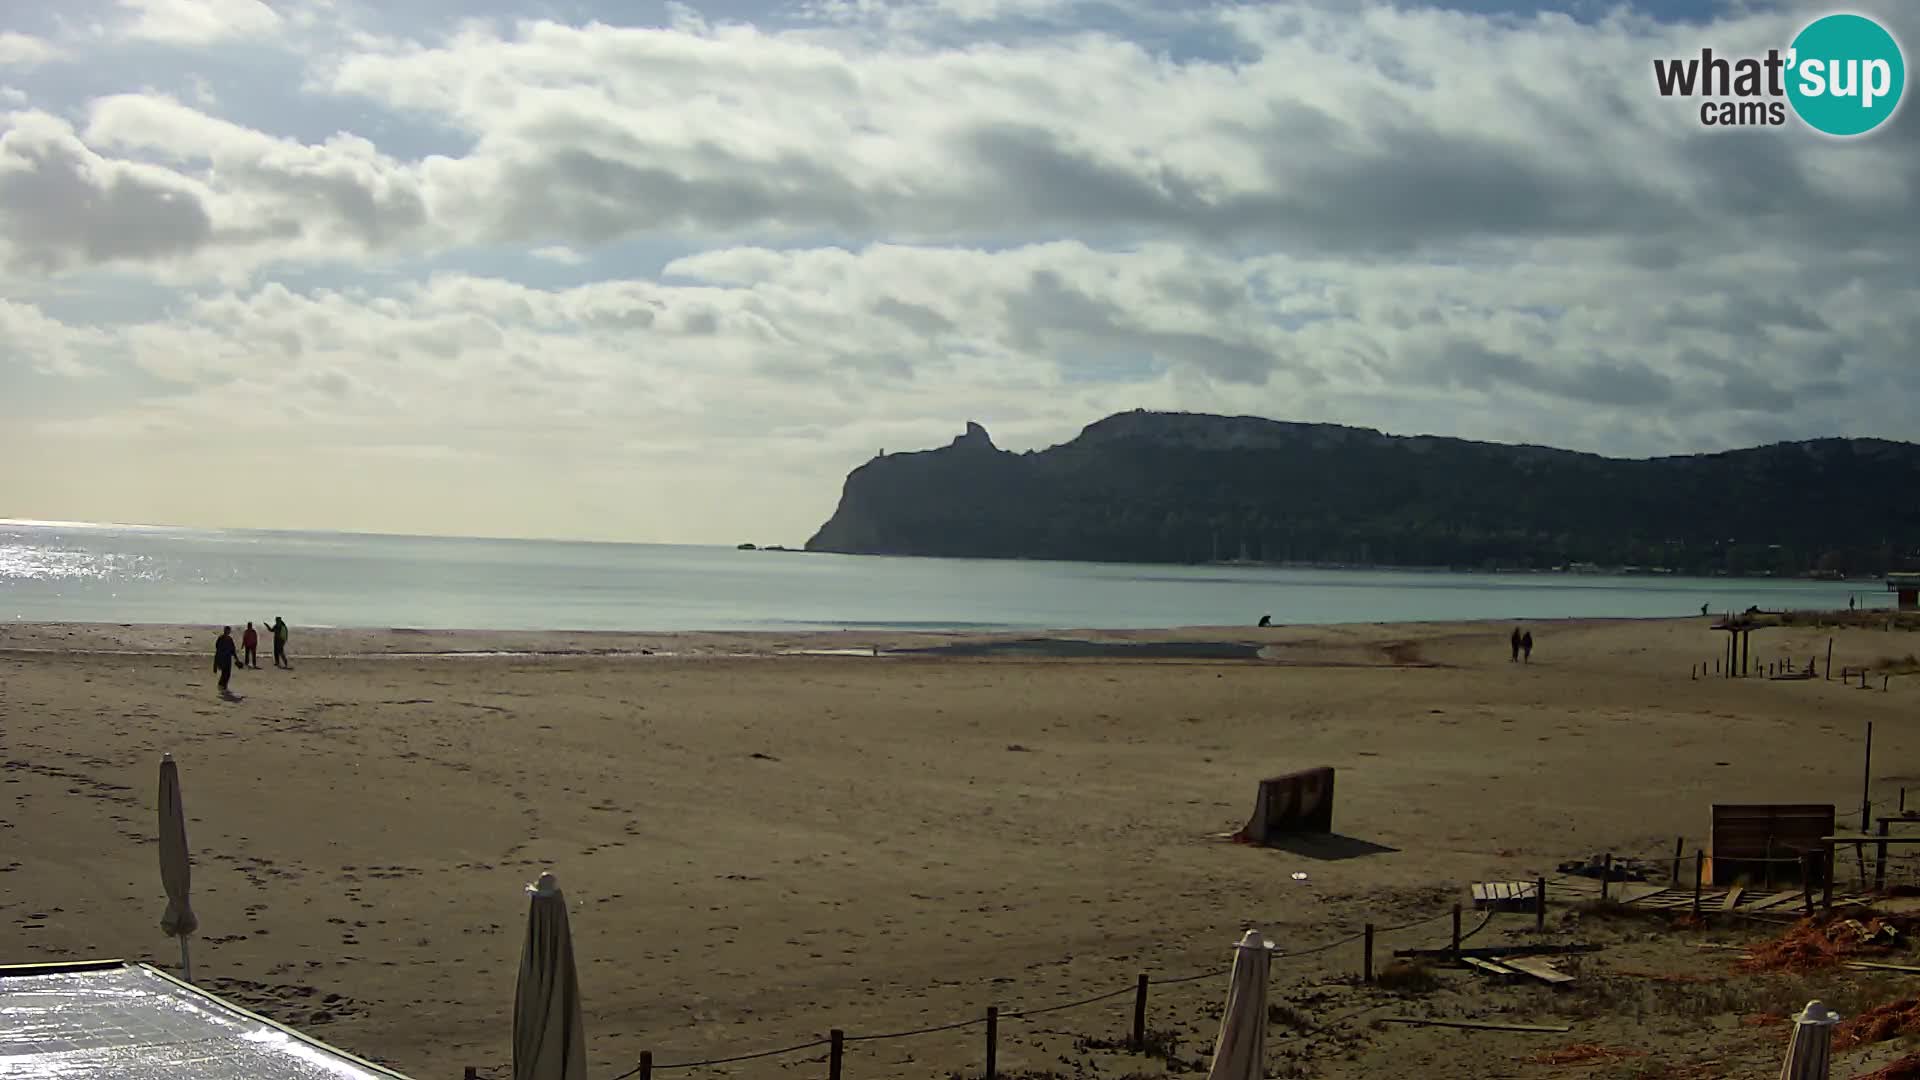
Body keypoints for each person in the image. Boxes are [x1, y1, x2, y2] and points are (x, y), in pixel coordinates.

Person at [214, 626, 238, 694]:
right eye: (227, 630)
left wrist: (236, 659)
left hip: (228, 658)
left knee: (228, 673)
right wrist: (216, 663)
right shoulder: (221, 638)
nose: (228, 632)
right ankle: (221, 686)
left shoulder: (230, 639)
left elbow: (233, 649)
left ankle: (224, 686)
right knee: (224, 673)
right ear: (224, 631)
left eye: (229, 631)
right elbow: (217, 649)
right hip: (222, 658)